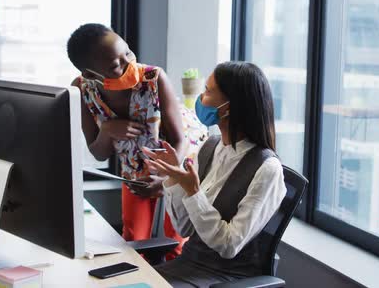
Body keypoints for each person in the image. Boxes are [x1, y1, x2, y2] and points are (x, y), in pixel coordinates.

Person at [67, 23, 207, 257]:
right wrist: (108, 130)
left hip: (179, 164)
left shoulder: (154, 77)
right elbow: (99, 153)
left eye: (128, 52)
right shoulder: (81, 89)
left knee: (175, 244)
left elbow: (180, 141)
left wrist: (165, 178)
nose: (129, 63)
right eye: (116, 64)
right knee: (134, 242)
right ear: (91, 74)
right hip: (135, 170)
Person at [143, 61, 287, 287]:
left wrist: (193, 192)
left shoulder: (267, 169)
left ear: (229, 107)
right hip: (187, 264)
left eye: (208, 91)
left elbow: (228, 245)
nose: (201, 98)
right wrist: (174, 177)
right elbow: (184, 228)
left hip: (222, 278)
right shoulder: (210, 146)